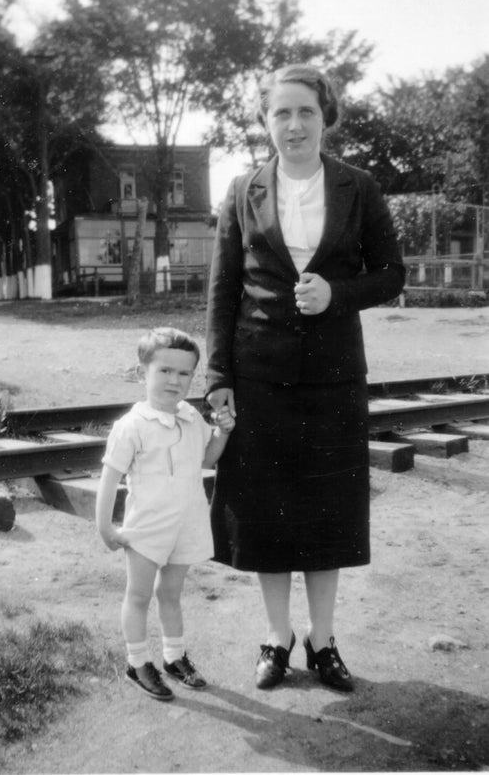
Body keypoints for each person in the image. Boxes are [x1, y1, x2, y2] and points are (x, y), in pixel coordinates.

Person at [206, 64, 405, 692]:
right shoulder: (242, 191)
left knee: (328, 511)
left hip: (333, 376)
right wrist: (218, 376)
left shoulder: (359, 187)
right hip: (259, 374)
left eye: (306, 113)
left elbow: (392, 273)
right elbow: (221, 291)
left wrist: (338, 294)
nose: (294, 125)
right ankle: (276, 637)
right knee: (265, 513)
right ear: (266, 122)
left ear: (326, 118)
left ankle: (323, 641)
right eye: (281, 113)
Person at [96, 327, 235, 701]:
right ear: (143, 372)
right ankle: (137, 662)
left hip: (187, 520)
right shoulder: (132, 426)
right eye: (164, 371)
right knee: (139, 595)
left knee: (171, 593)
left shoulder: (191, 417)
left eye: (184, 373)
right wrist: (106, 526)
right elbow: (109, 477)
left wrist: (221, 435)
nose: (174, 380)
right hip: (147, 526)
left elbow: (205, 460)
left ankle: (174, 657)